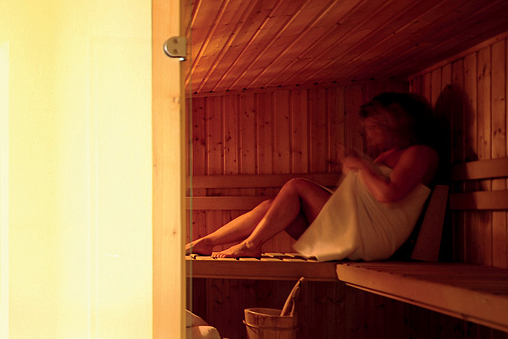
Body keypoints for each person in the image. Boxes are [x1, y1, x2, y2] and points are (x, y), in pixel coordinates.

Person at [187, 92, 440, 261]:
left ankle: (251, 245)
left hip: (372, 238)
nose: (370, 135)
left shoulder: (420, 153)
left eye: (374, 127)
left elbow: (389, 195)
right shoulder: (392, 154)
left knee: (296, 186)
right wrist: (358, 165)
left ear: (395, 123)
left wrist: (361, 167)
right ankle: (207, 241)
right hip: (359, 230)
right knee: (271, 208)